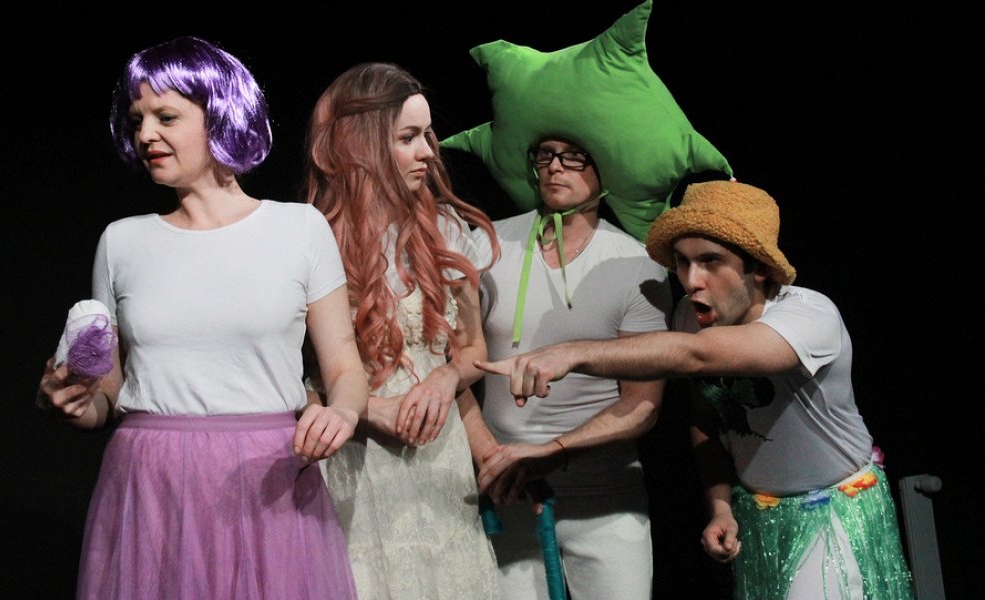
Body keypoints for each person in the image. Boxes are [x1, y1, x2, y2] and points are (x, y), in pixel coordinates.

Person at [35, 36, 367, 599]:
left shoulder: (299, 230)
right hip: (151, 483)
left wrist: (343, 413)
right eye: (137, 120)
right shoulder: (122, 242)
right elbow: (108, 394)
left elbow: (344, 370)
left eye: (166, 117)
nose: (145, 134)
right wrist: (72, 401)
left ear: (222, 117)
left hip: (267, 476)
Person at [476, 180, 915, 599]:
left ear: (760, 268)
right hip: (759, 513)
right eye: (683, 262)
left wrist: (570, 354)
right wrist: (720, 506)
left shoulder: (809, 317)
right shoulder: (690, 315)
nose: (691, 280)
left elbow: (697, 356)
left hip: (833, 513)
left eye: (710, 261)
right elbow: (707, 419)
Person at [301, 62, 503, 599]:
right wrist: (370, 409)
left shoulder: (445, 230)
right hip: (358, 466)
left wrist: (444, 379)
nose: (428, 152)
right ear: (363, 144)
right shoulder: (309, 241)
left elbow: (471, 348)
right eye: (408, 138)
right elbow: (289, 382)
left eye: (428, 136)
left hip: (440, 460)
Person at [463, 137, 671, 600]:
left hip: (604, 496)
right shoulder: (486, 244)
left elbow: (643, 404)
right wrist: (489, 456)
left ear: (604, 166)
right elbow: (453, 364)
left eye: (573, 156)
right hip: (506, 487)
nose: (556, 166)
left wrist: (556, 452)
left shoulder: (636, 264)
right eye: (545, 154)